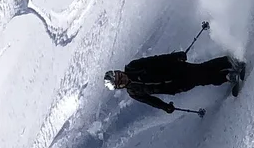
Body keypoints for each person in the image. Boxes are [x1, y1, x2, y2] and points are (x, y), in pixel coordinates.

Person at [104, 24, 245, 115]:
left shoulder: (133, 67)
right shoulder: (133, 92)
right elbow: (151, 101)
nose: (122, 77)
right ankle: (227, 72)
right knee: (201, 79)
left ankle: (228, 67)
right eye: (119, 81)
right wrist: (165, 107)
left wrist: (176, 57)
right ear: (120, 86)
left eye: (119, 74)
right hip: (175, 87)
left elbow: (155, 60)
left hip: (175, 70)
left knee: (201, 72)